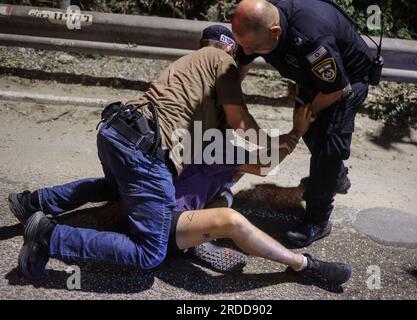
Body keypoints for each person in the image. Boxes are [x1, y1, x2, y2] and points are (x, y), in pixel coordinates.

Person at [8, 25, 298, 280]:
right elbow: (249, 139)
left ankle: (33, 201)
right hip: (148, 153)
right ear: (231, 49)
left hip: (116, 129)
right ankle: (49, 237)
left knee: (116, 186)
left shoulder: (187, 73)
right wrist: (296, 132)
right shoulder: (224, 63)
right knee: (149, 253)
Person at [9, 101, 353, 292]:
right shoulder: (206, 139)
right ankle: (305, 265)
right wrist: (296, 132)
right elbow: (265, 163)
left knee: (224, 206)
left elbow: (262, 166)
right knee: (227, 219)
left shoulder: (203, 137)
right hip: (161, 215)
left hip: (148, 202)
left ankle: (37, 205)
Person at [231, 0, 373, 247]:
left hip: (345, 82)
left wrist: (307, 114)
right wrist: (227, 95)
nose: (248, 50)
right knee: (311, 137)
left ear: (275, 32)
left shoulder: (310, 38)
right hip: (311, 78)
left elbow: (335, 88)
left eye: (253, 46)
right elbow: (241, 64)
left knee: (327, 149)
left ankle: (318, 220)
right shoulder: (256, 27)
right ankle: (336, 176)